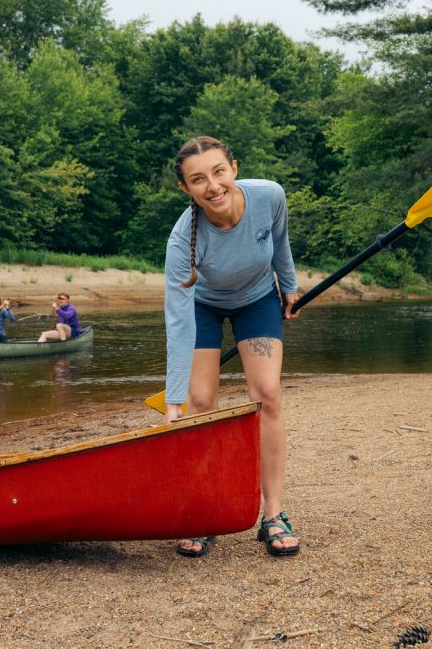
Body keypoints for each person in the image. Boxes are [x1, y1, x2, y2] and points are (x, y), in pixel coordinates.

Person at [163, 136, 301, 558]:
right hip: (202, 307)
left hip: (258, 300)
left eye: (218, 172)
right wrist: (173, 399)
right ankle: (205, 514)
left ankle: (273, 514)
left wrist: (290, 287)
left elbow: (280, 243)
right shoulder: (181, 239)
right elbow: (178, 320)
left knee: (268, 396)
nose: (213, 185)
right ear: (186, 189)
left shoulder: (270, 196)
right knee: (200, 401)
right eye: (198, 179)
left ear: (234, 168)